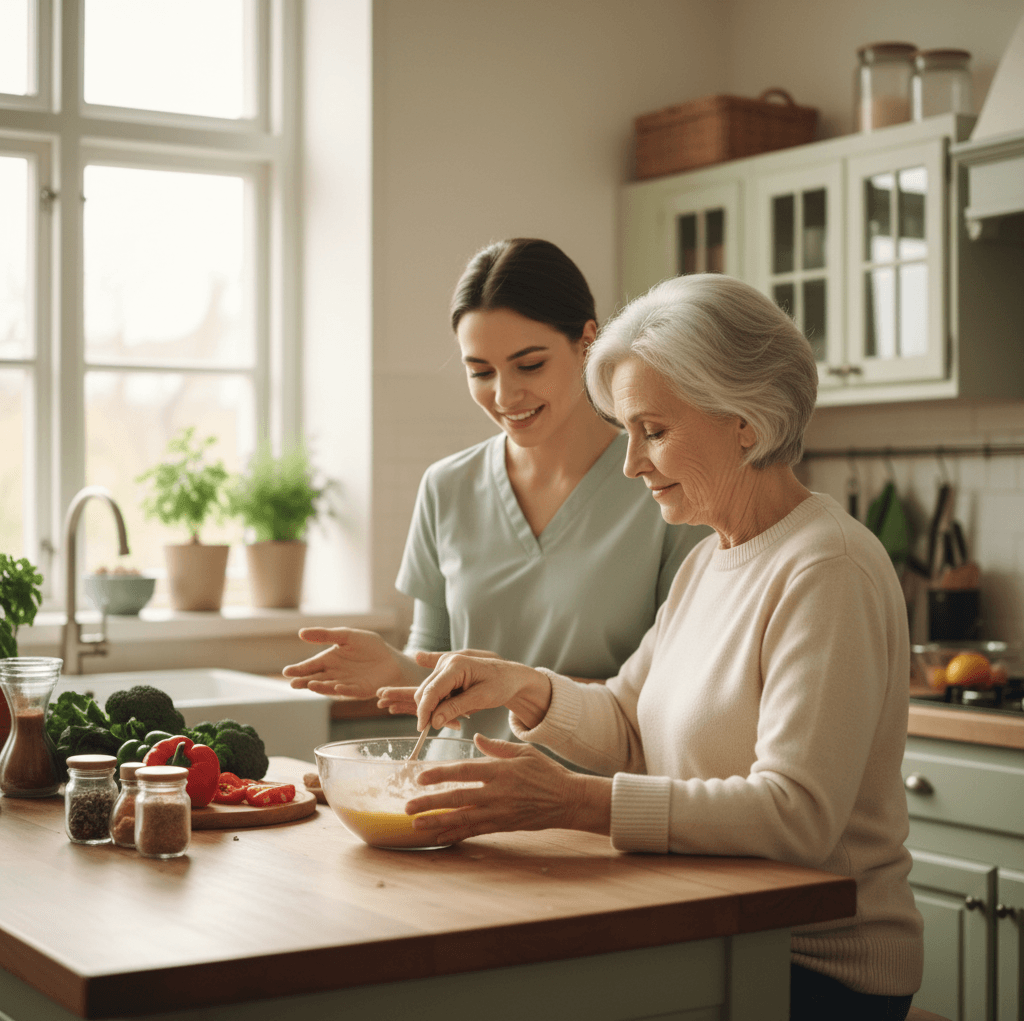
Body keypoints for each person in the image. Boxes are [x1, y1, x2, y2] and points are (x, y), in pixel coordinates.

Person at [379, 273, 924, 1020]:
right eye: (628, 431)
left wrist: (573, 802)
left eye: (654, 431)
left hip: (812, 969)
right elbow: (629, 722)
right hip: (711, 930)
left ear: (745, 420)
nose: (631, 463)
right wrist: (522, 686)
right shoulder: (712, 558)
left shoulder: (825, 568)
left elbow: (797, 815)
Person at [285, 238, 709, 741]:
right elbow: (435, 669)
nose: (505, 396)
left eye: (529, 365)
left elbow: (678, 688)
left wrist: (513, 687)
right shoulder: (447, 487)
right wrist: (398, 669)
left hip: (591, 803)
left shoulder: (663, 483)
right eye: (480, 372)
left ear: (588, 343)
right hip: (458, 796)